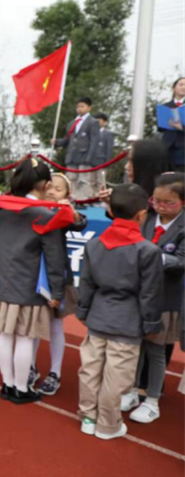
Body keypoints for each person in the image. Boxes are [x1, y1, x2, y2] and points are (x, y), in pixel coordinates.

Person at [77, 183, 163, 440]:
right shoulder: (148, 250)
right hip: (127, 322)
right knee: (117, 376)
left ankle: (88, 417)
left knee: (90, 370)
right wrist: (151, 325)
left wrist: (83, 311)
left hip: (97, 317)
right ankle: (108, 424)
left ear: (111, 211)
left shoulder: (95, 244)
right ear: (141, 214)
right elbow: (150, 294)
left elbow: (86, 283)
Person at [0, 159, 68, 404]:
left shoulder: (3, 212)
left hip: (7, 283)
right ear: (45, 185)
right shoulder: (45, 215)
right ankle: (21, 388)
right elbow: (55, 259)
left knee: (6, 335)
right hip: (32, 288)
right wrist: (57, 292)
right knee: (24, 337)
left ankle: (7, 383)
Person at [122, 173, 185, 424]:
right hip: (139, 296)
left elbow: (181, 261)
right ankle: (131, 390)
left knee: (156, 350)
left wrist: (153, 256)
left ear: (182, 202)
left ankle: (152, 400)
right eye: (156, 201)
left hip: (164, 299)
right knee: (136, 346)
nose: (160, 206)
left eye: (168, 202)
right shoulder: (146, 217)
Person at [32, 173, 88, 396]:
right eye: (49, 187)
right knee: (32, 326)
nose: (52, 192)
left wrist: (72, 212)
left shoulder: (63, 213)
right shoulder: (34, 209)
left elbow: (79, 223)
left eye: (58, 189)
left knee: (55, 327)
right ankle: (30, 367)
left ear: (67, 194)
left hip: (57, 279)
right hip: (33, 277)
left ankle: (55, 373)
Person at [51, 97, 101, 201]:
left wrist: (90, 157)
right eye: (78, 106)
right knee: (70, 179)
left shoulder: (93, 122)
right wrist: (57, 142)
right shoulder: (72, 123)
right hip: (72, 156)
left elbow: (94, 141)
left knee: (83, 180)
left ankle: (83, 200)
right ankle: (72, 199)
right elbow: (67, 139)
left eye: (82, 106)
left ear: (89, 108)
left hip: (84, 156)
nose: (79, 109)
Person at [158, 77, 185, 171]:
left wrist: (181, 127)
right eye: (181, 85)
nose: (183, 87)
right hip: (168, 146)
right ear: (174, 88)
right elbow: (160, 128)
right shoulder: (165, 106)